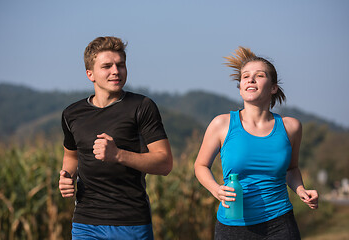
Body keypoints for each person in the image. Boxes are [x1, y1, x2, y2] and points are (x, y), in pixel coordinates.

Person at [194, 46, 318, 239]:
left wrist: (300, 189)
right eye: (245, 76)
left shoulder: (291, 127)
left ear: (273, 87)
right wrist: (216, 189)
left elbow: (291, 169)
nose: (250, 79)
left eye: (259, 75)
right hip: (232, 226)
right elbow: (201, 165)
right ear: (241, 87)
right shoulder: (222, 124)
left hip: (280, 222)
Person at [58, 36, 173, 240]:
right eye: (107, 66)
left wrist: (118, 155)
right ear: (90, 74)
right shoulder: (71, 114)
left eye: (120, 65)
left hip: (130, 222)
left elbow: (164, 163)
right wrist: (66, 175)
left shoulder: (142, 106)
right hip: (86, 222)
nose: (116, 71)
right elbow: (72, 156)